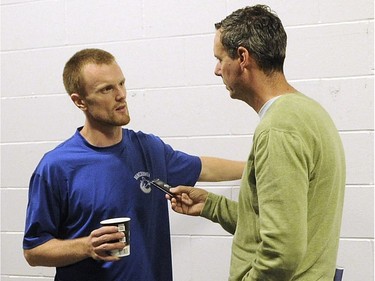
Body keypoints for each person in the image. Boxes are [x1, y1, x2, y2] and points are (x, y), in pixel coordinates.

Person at [23, 48, 245, 281]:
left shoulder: (147, 148)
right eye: (107, 89)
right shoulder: (57, 167)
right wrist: (86, 247)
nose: (121, 95)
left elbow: (205, 168)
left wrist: (261, 164)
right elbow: (34, 251)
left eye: (121, 84)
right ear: (80, 101)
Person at [167, 5, 346, 281]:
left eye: (219, 59)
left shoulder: (278, 129)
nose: (217, 70)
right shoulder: (310, 112)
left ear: (242, 57)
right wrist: (210, 205)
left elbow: (281, 251)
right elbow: (279, 224)